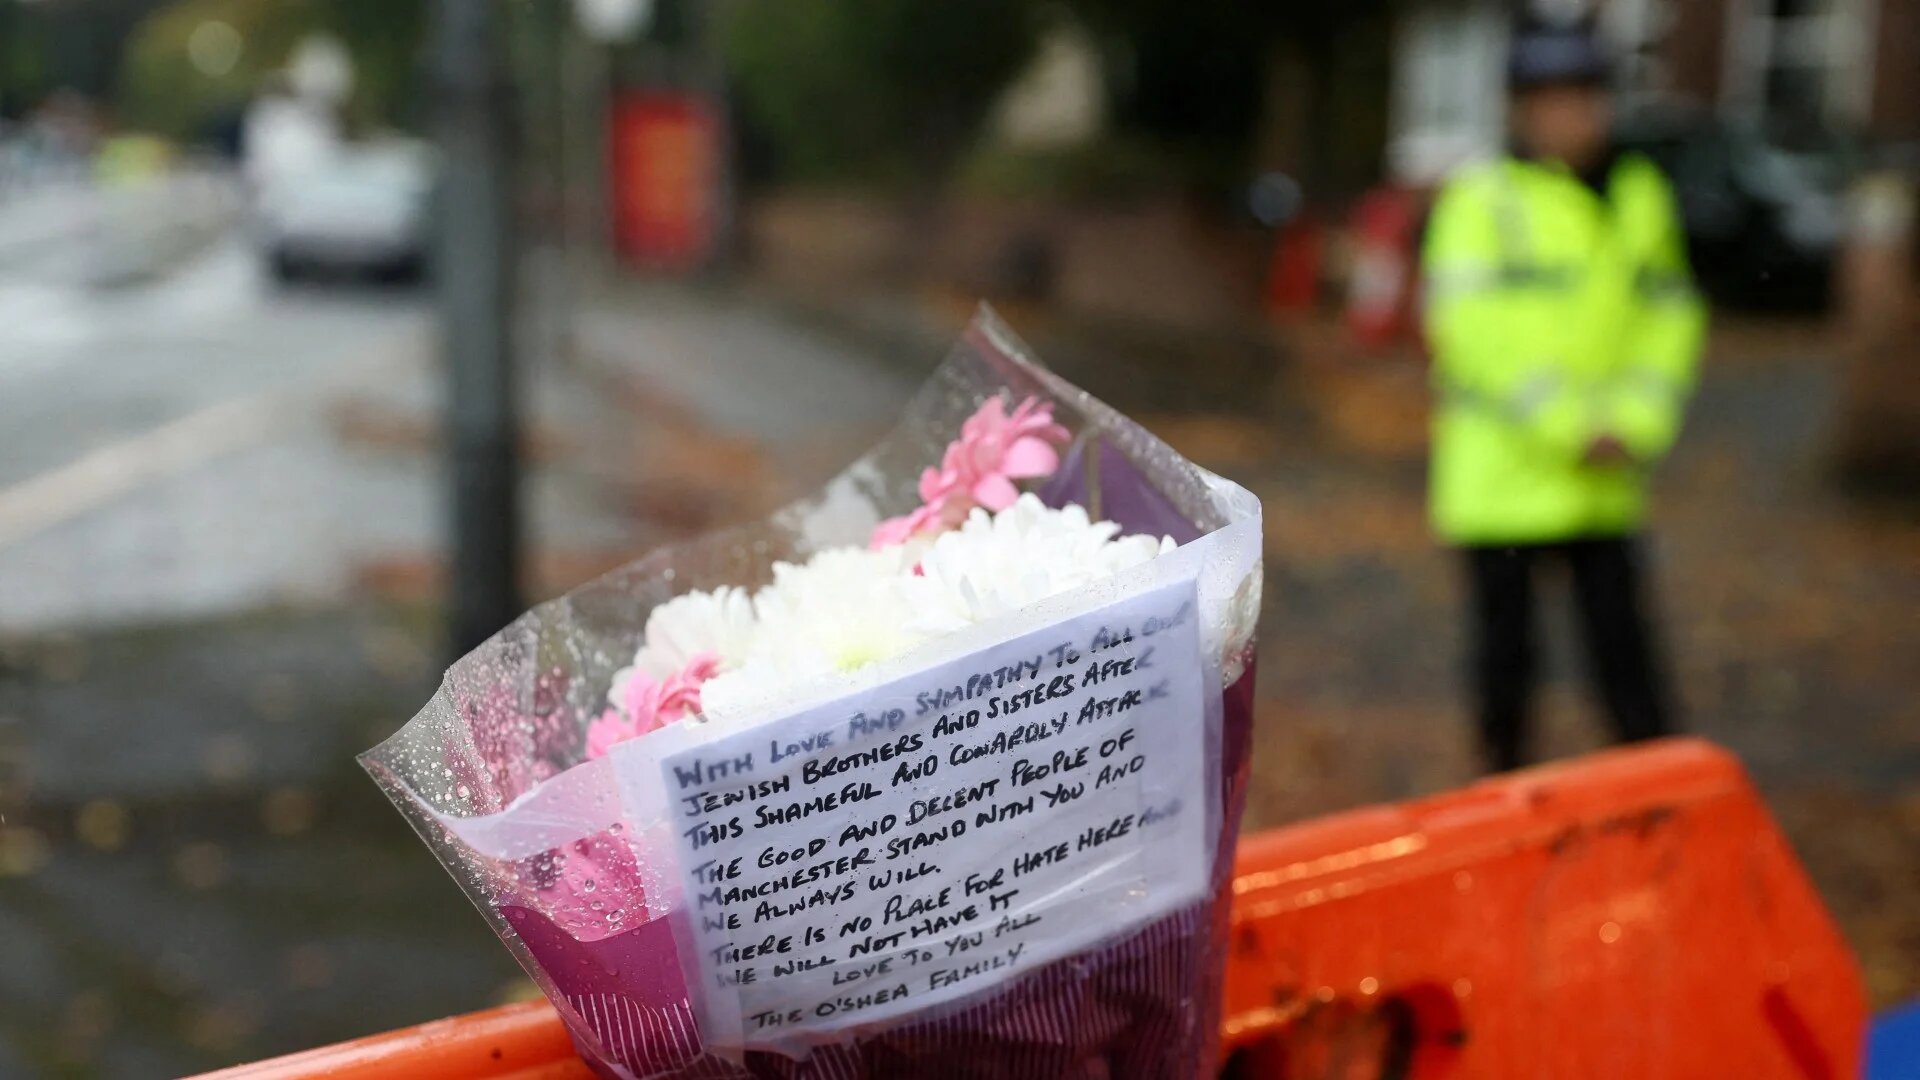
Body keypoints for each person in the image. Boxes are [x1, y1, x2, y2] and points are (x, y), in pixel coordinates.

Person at [1420, 19, 1706, 772]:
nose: (1567, 117)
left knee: (1627, 657)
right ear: (1518, 109)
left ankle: (1657, 800)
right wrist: (1570, 425)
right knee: (1505, 664)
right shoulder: (1481, 199)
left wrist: (1636, 420)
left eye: (1580, 98)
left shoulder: (1638, 193)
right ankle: (1500, 805)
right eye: (1547, 100)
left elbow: (1670, 314)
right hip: (1502, 484)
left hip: (1604, 481)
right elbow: (1468, 330)